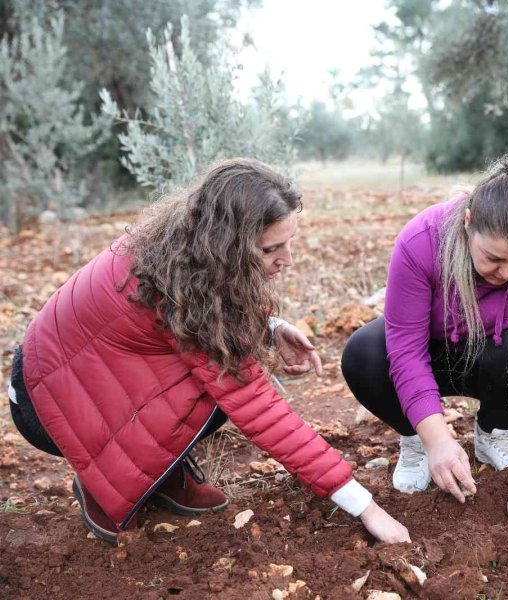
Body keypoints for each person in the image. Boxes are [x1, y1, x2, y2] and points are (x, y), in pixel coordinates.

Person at [6, 158, 410, 544]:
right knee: (222, 386)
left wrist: (270, 328)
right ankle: (101, 478)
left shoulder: (180, 248)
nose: (287, 260)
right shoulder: (173, 287)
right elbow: (262, 412)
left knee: (224, 369)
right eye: (270, 250)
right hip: (45, 407)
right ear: (227, 244)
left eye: (289, 243)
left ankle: (159, 473)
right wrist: (367, 508)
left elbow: (214, 309)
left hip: (63, 375)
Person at [342, 156, 508, 524]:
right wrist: (438, 440)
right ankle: (414, 440)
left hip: (497, 359)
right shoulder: (422, 241)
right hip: (432, 356)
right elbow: (406, 353)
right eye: (494, 258)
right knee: (366, 353)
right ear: (468, 225)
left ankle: (496, 431)